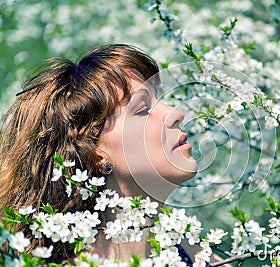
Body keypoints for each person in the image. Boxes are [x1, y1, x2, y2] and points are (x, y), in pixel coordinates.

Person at [0, 44, 198, 263]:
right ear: (94, 152)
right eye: (142, 109)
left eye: (158, 99)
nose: (175, 112)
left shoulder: (188, 249)